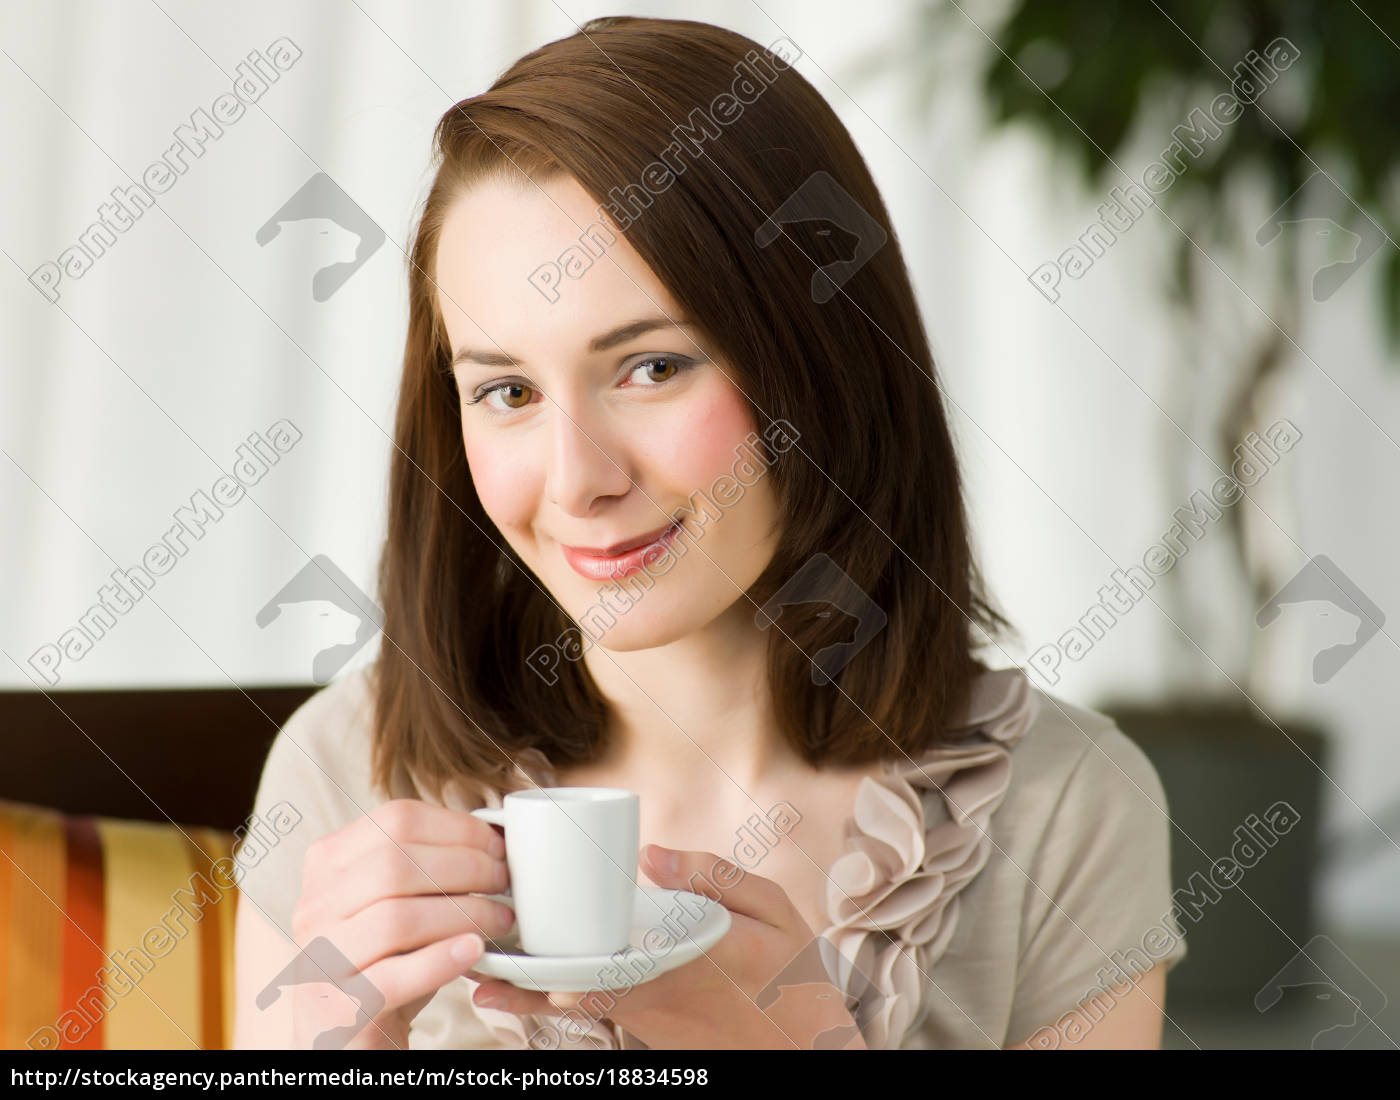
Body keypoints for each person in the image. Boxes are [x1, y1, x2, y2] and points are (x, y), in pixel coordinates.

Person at [232, 14, 1186, 1051]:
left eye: (652, 366)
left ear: (819, 363)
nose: (577, 479)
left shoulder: (1064, 810)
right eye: (506, 389)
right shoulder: (345, 768)